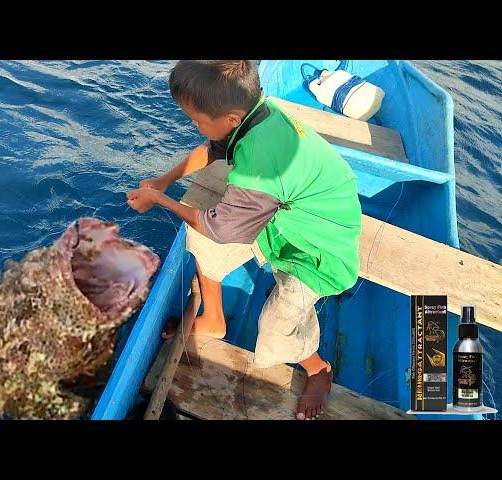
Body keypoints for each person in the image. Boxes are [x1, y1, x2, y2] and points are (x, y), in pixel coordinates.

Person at [126, 60, 362, 420]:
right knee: (198, 234)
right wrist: (164, 181)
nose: (195, 125)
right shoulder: (258, 113)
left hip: (319, 248)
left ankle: (319, 370)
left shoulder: (259, 164)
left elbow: (220, 229)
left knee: (277, 327)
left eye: (198, 120)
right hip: (292, 209)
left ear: (232, 119)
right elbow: (211, 150)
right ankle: (214, 318)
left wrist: (158, 200)